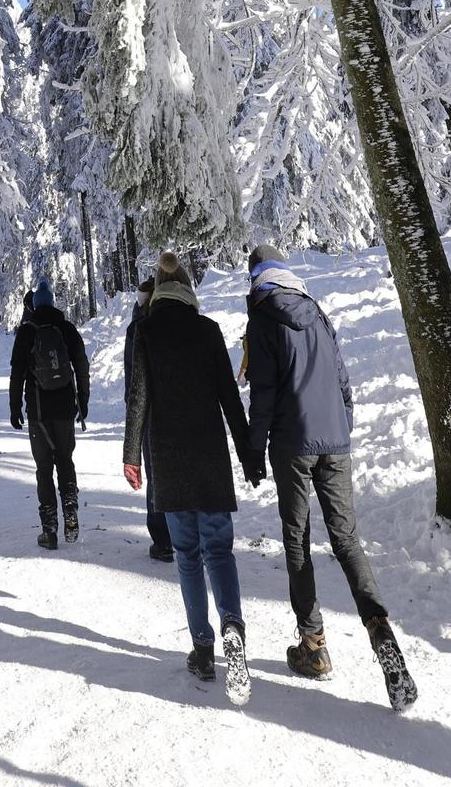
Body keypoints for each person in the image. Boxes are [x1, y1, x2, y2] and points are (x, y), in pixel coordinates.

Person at [243, 241, 417, 713]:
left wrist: (253, 451)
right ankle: (380, 629)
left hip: (292, 444)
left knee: (297, 541)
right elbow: (343, 381)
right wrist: (343, 427)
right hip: (335, 441)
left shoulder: (261, 318)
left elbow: (262, 394)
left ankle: (314, 646)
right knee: (347, 541)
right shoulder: (316, 312)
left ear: (257, 277)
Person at [123, 251, 256, 706]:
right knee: (219, 549)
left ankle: (203, 649)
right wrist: (249, 452)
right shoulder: (209, 331)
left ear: (158, 293)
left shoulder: (146, 333)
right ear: (189, 292)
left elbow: (137, 399)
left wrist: (131, 456)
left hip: (170, 461)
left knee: (187, 555)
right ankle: (233, 628)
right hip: (211, 460)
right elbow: (229, 400)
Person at [10, 278, 90, 550]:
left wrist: (14, 408)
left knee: (44, 469)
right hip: (66, 408)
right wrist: (84, 402)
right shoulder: (66, 328)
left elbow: (17, 372)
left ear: (33, 306)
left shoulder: (27, 332)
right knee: (65, 459)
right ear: (53, 303)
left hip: (38, 412)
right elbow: (81, 365)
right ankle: (70, 507)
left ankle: (50, 530)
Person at [124, 278, 172, 562]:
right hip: (175, 406)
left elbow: (133, 379)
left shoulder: (137, 327)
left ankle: (163, 540)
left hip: (149, 411)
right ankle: (182, 535)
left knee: (155, 475)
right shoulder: (172, 319)